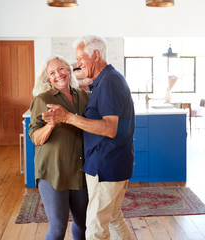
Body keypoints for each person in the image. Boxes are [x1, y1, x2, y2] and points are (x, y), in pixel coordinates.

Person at [42, 35, 135, 240]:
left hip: (106, 167)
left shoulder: (109, 82)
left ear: (95, 54)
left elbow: (110, 129)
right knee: (113, 219)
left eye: (80, 58)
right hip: (114, 165)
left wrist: (68, 117)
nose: (78, 63)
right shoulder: (107, 80)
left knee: (95, 229)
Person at [28, 55, 89, 240]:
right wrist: (52, 124)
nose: (58, 75)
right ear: (47, 78)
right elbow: (35, 138)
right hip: (53, 172)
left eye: (60, 69)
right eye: (52, 73)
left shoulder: (84, 96)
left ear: (68, 69)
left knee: (84, 223)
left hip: (80, 170)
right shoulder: (42, 99)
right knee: (57, 228)